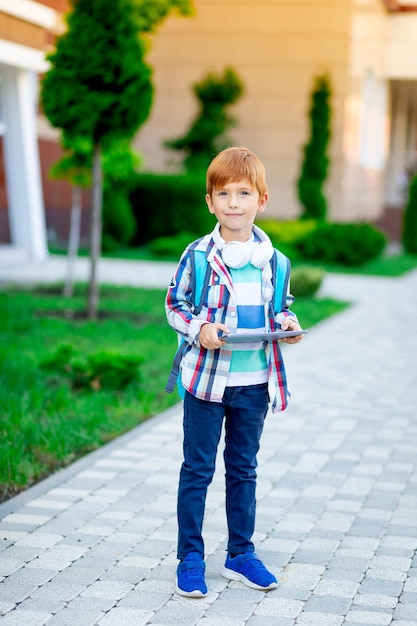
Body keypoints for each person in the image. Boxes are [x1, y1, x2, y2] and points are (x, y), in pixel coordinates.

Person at [165, 146, 303, 598]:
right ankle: (190, 557)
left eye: (244, 193)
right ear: (210, 202)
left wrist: (288, 326)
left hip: (253, 385)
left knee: (243, 469)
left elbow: (282, 308)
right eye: (223, 194)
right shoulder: (199, 256)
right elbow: (174, 304)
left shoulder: (276, 262)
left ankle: (240, 554)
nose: (233, 203)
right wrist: (199, 328)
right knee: (197, 469)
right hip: (206, 382)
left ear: (261, 200)